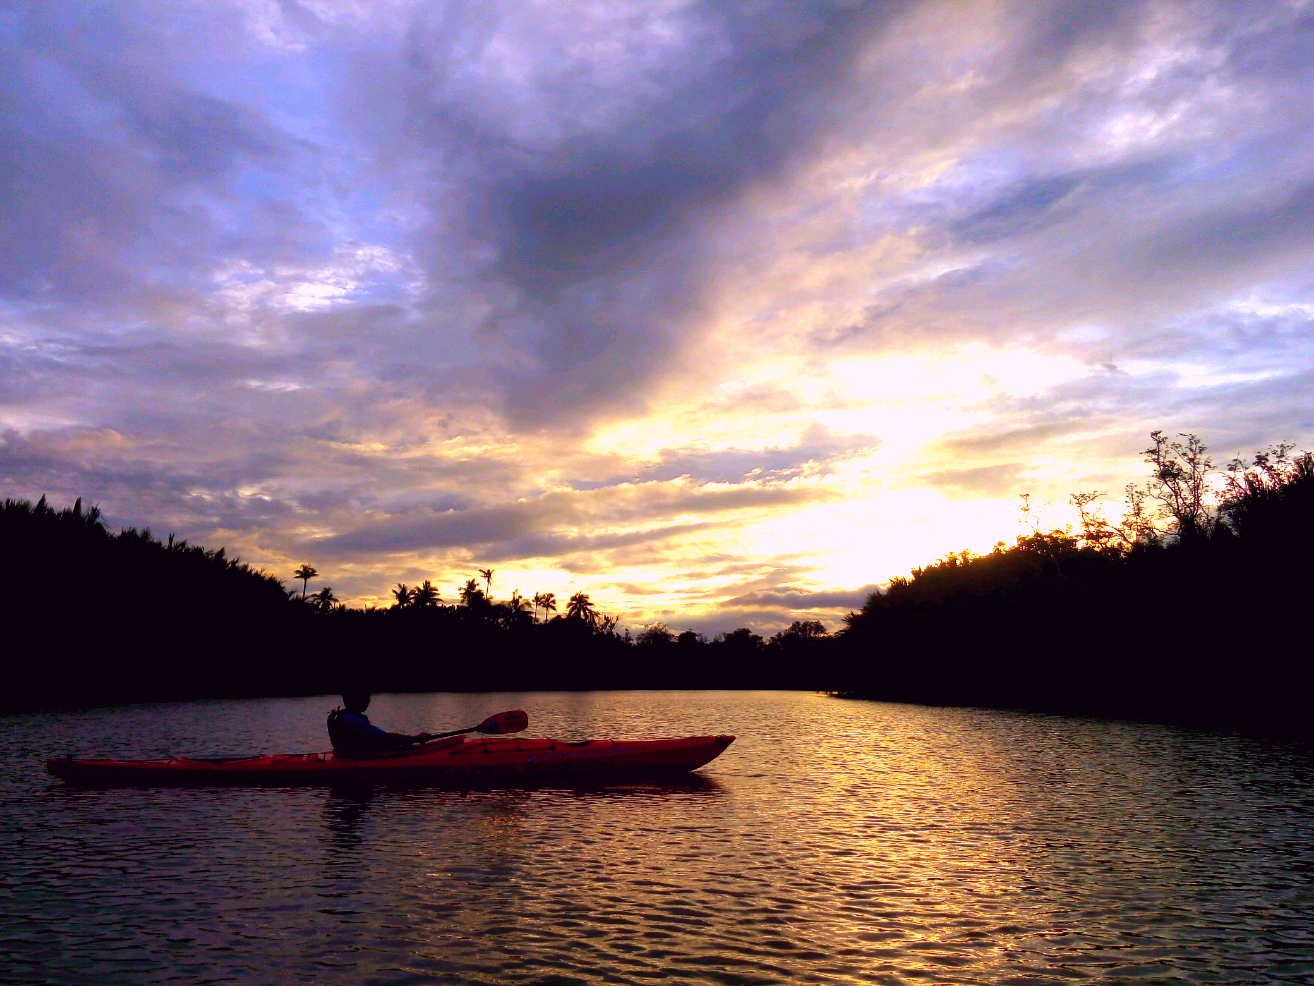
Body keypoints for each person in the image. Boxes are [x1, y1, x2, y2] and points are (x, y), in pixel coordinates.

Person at [327, 691, 432, 755]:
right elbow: (387, 738)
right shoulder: (352, 720)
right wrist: (417, 738)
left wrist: (408, 741)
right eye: (366, 696)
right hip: (357, 761)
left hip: (351, 756)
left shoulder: (344, 717)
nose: (369, 700)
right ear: (355, 699)